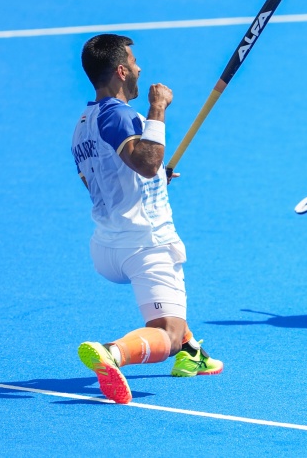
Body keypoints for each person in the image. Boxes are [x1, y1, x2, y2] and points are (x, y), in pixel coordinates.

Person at [71, 34, 221, 404]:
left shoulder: (83, 124)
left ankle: (192, 354)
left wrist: (156, 181)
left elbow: (102, 180)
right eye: (135, 63)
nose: (140, 69)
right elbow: (148, 161)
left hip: (106, 247)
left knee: (173, 307)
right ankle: (113, 353)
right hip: (144, 245)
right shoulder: (117, 114)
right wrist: (158, 109)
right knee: (166, 333)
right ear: (121, 71)